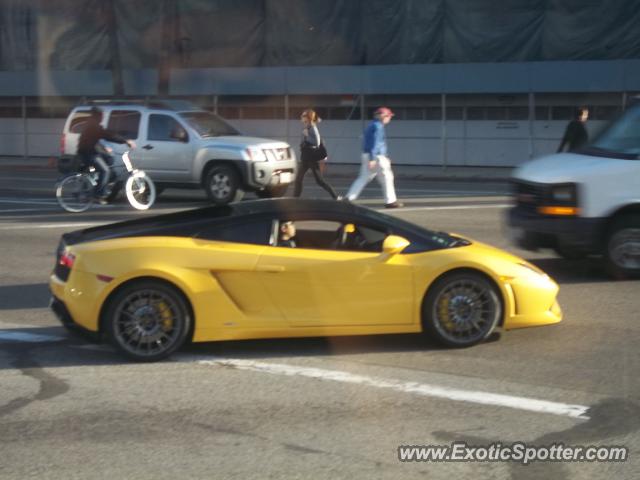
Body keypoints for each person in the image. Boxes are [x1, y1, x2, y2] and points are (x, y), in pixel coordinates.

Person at [345, 107, 403, 208]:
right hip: (377, 157)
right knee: (387, 178)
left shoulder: (371, 125)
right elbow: (375, 143)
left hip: (367, 154)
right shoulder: (378, 127)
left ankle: (349, 198)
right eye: (389, 116)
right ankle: (390, 201)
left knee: (363, 178)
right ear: (383, 116)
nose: (389, 118)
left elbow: (368, 142)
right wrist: (374, 158)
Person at [76, 106, 136, 196]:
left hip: (87, 152)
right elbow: (109, 135)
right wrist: (125, 141)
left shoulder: (90, 124)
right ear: (98, 116)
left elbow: (92, 140)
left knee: (109, 159)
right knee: (105, 171)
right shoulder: (94, 126)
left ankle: (99, 182)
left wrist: (104, 148)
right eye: (102, 116)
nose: (103, 118)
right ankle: (99, 192)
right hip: (88, 154)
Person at [293, 109, 339, 199]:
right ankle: (295, 199)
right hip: (305, 158)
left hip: (312, 159)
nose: (301, 117)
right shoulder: (306, 127)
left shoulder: (313, 127)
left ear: (307, 118)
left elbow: (317, 142)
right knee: (298, 179)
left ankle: (336, 197)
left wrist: (307, 136)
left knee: (320, 181)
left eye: (303, 116)